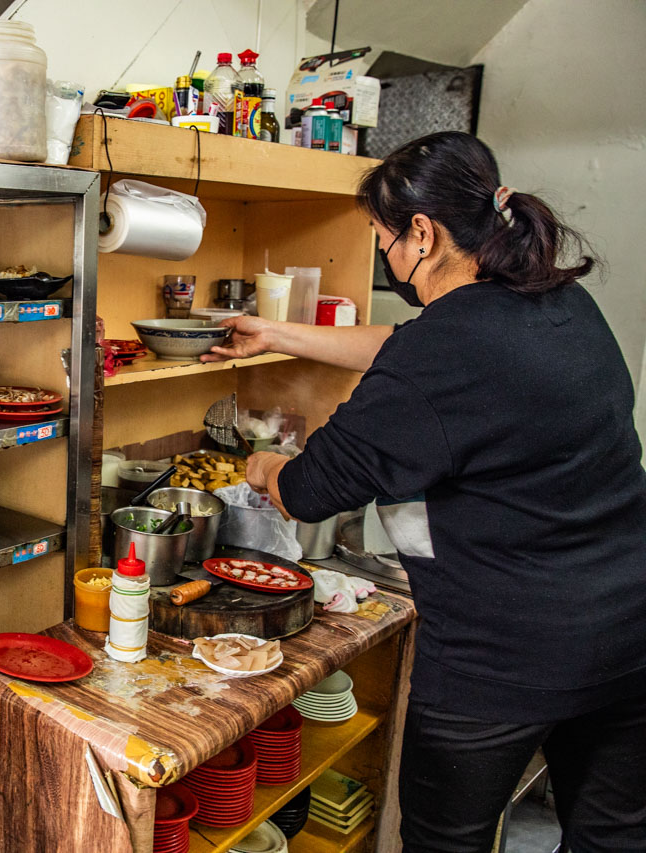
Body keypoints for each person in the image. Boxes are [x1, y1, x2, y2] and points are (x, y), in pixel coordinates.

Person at [205, 131, 646, 851]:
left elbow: (308, 490)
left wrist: (260, 466)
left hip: (501, 653)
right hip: (630, 629)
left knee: (447, 842)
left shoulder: (446, 351)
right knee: (614, 839)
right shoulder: (560, 304)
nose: (384, 257)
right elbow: (413, 347)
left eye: (383, 239)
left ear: (422, 232)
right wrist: (277, 335)